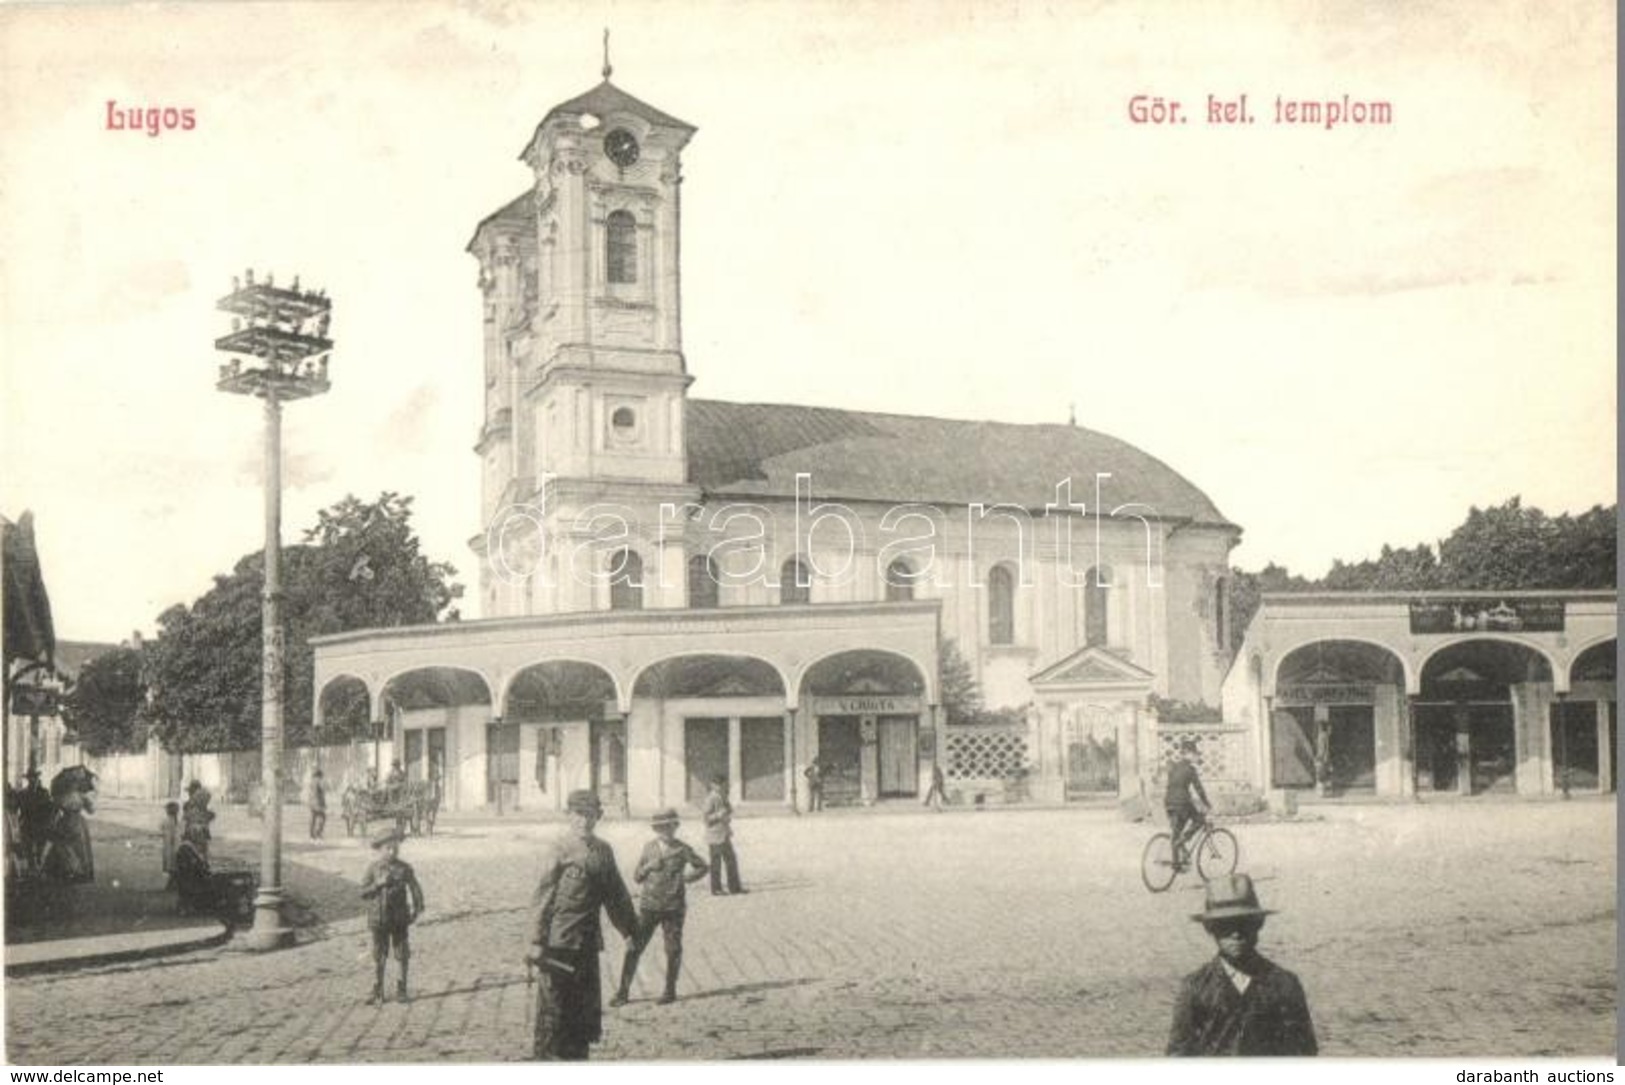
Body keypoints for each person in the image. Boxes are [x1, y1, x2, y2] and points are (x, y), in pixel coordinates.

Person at [527, 789, 637, 1060]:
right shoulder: (559, 848)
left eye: (590, 816)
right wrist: (534, 940)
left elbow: (616, 895)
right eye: (578, 815)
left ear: (598, 817)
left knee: (583, 1014)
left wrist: (629, 930)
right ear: (568, 816)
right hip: (557, 945)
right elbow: (543, 896)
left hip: (587, 944)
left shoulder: (603, 851)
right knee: (554, 1013)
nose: (584, 822)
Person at [1167, 874, 1318, 1056]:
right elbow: (1178, 1056)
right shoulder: (1194, 988)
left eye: (1244, 923)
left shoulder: (1284, 984)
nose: (1236, 933)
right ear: (1211, 928)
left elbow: (1304, 1051)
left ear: (1258, 925)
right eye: (1225, 925)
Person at [610, 807, 709, 1008]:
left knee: (673, 950)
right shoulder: (649, 848)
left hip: (674, 907)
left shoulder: (682, 849)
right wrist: (648, 867)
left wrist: (686, 878)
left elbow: (703, 866)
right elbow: (637, 877)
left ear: (675, 827)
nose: (665, 831)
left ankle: (670, 990)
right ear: (656, 829)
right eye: (661, 828)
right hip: (649, 906)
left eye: (669, 827)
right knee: (634, 948)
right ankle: (623, 991)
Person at [360, 826, 425, 1004]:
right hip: (378, 919)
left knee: (402, 954)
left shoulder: (404, 868)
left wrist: (417, 908)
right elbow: (363, 892)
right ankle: (377, 988)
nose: (392, 851)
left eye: (395, 848)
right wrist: (378, 885)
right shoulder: (373, 869)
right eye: (388, 848)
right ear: (380, 849)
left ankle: (401, 989)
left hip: (399, 919)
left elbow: (415, 888)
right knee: (378, 955)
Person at [1164, 738, 1210, 870]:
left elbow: (1174, 786)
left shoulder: (1173, 767)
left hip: (1168, 802)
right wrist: (1207, 804)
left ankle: (1176, 864)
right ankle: (1183, 841)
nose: (1196, 756)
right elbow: (1199, 789)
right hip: (1181, 803)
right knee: (1199, 820)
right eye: (1194, 753)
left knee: (1175, 831)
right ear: (1187, 753)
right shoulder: (1190, 769)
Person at [702, 776, 745, 896]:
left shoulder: (722, 797)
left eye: (723, 784)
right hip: (714, 835)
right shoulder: (710, 798)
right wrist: (718, 815)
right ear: (713, 785)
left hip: (724, 834)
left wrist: (727, 809)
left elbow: (729, 810)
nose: (722, 787)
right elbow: (705, 819)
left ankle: (735, 888)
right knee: (716, 863)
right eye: (719, 784)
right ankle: (716, 889)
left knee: (731, 860)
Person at [182, 780, 215, 862]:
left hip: (193, 830)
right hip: (202, 830)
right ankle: (203, 865)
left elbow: (185, 818)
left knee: (194, 850)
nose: (189, 794)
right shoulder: (202, 804)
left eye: (190, 791)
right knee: (202, 850)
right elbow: (210, 816)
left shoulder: (189, 804)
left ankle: (198, 866)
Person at [160, 801, 181, 889]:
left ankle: (171, 884)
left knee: (171, 864)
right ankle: (172, 884)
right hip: (173, 845)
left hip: (170, 845)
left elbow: (161, 828)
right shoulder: (176, 821)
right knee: (173, 865)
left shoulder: (167, 820)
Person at [306, 768, 327, 840]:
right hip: (318, 802)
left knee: (313, 818)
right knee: (322, 817)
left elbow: (309, 792)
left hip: (311, 802)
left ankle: (311, 835)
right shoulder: (319, 781)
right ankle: (318, 833)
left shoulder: (311, 781)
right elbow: (322, 789)